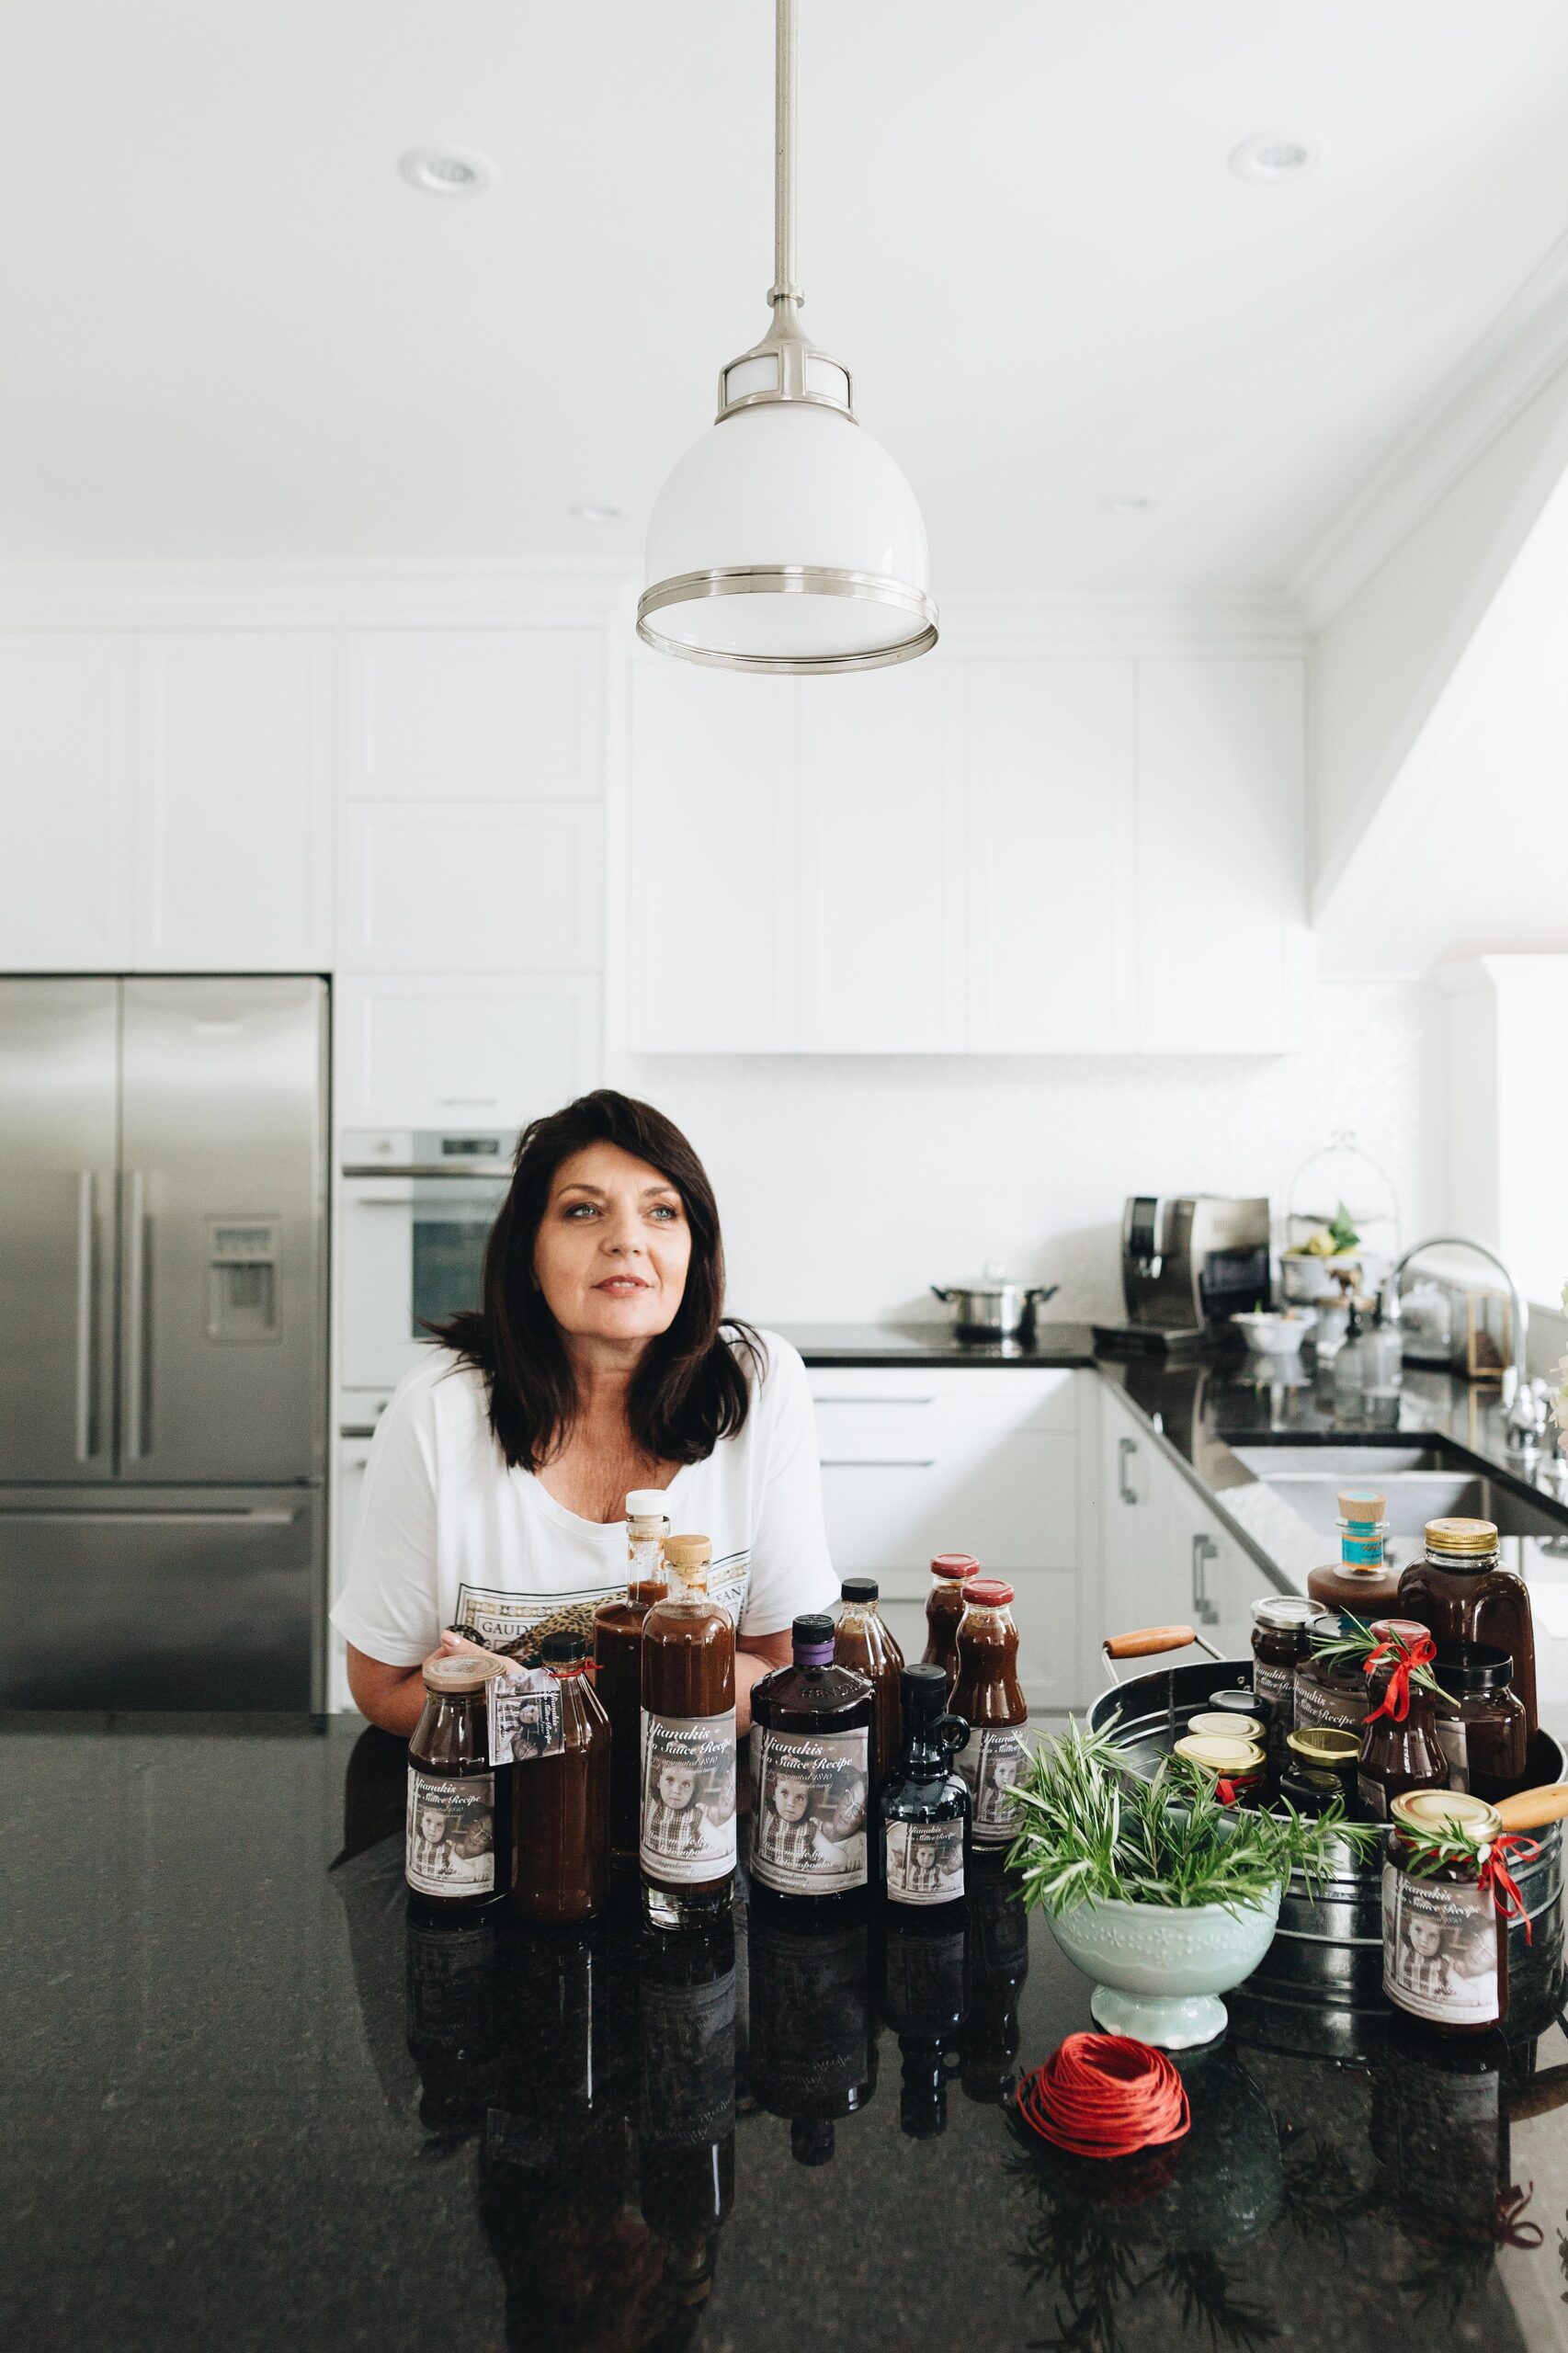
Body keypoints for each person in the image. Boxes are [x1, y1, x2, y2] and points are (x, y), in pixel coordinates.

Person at [334, 1090, 837, 1738]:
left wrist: (528, 1694)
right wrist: (673, 1680)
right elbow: (384, 1688)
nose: (626, 1239)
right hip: (501, 1807)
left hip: (701, 1799)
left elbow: (781, 1667)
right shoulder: (438, 1409)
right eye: (583, 1210)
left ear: (695, 1252)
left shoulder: (759, 1383)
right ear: (530, 1258)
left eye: (661, 1211)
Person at [642, 1758, 711, 1866]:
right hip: (654, 1865)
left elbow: (720, 1842)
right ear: (658, 1782)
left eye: (686, 1784)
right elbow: (644, 1768)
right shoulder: (651, 1802)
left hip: (684, 1870)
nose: (676, 1790)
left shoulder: (695, 1814)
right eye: (670, 1780)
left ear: (694, 1789)